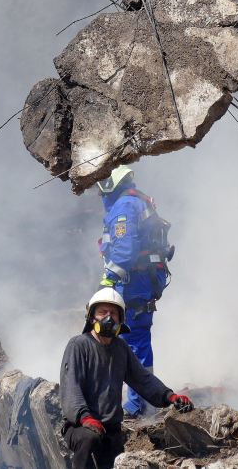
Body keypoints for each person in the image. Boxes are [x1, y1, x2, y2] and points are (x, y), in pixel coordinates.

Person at [59, 288, 194, 469]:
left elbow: (143, 379)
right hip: (81, 427)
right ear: (92, 318)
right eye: (102, 312)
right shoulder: (78, 345)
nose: (108, 317)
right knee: (89, 439)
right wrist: (86, 418)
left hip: (111, 430)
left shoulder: (121, 348)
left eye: (113, 313)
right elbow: (71, 388)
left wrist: (170, 396)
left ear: (120, 319)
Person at [96, 165, 173, 417]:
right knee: (133, 339)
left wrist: (108, 279)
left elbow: (125, 249)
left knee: (133, 341)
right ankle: (140, 402)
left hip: (134, 282)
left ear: (111, 183)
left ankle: (140, 406)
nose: (100, 194)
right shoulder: (136, 202)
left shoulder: (125, 207)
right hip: (142, 280)